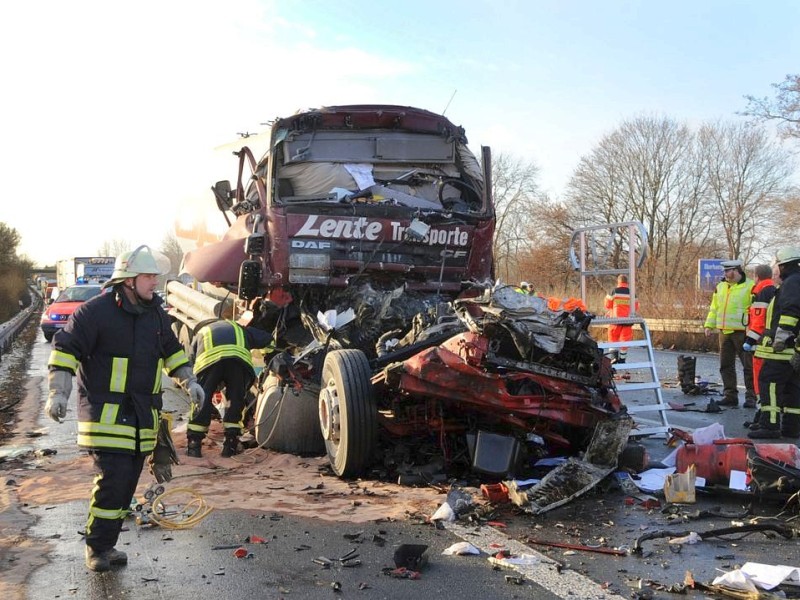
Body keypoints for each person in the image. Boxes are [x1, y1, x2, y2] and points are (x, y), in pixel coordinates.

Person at [45, 245, 204, 572]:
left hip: (142, 420)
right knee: (112, 483)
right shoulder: (95, 312)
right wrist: (56, 393)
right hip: (106, 418)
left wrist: (190, 382)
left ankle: (107, 544)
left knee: (126, 488)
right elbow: (65, 350)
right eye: (148, 276)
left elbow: (172, 352)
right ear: (128, 280)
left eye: (155, 276)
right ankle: (97, 549)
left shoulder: (156, 314)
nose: (154, 282)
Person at [186, 314, 273, 458]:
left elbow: (190, 361)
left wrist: (192, 384)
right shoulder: (238, 328)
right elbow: (268, 340)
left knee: (202, 400)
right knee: (235, 402)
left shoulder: (201, 333)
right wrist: (269, 354)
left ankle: (194, 445)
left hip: (209, 363)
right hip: (237, 363)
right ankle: (230, 446)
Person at [749, 248, 800, 439]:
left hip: (782, 350)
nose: (777, 269)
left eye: (779, 266)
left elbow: (790, 311)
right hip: (794, 350)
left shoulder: (792, 283)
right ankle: (792, 427)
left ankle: (769, 426)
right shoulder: (796, 281)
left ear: (784, 265)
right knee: (792, 388)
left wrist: (782, 336)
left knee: (769, 382)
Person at [703, 259, 755, 407]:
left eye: (728, 271)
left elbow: (756, 310)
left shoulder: (750, 286)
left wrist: (753, 331)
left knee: (748, 366)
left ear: (736, 270)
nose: (725, 274)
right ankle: (730, 395)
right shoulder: (720, 287)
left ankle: (751, 396)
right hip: (724, 331)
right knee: (726, 365)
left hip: (742, 332)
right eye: (724, 271)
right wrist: (709, 325)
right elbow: (714, 308)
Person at [743, 264, 777, 421]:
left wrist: (750, 339)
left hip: (761, 342)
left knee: (760, 378)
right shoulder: (776, 290)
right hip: (774, 341)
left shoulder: (762, 292)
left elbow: (758, 320)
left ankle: (762, 413)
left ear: (757, 276)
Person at [604, 274, 639, 364]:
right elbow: (635, 307)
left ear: (618, 282)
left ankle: (613, 357)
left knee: (613, 339)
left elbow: (607, 305)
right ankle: (622, 359)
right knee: (625, 341)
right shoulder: (632, 293)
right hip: (627, 321)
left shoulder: (614, 291)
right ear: (627, 282)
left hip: (615, 321)